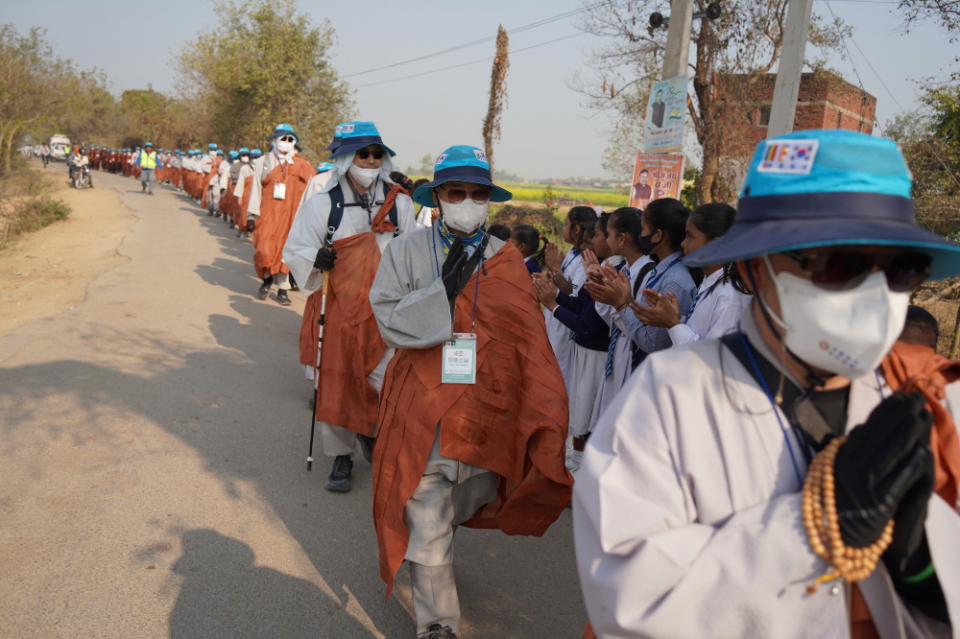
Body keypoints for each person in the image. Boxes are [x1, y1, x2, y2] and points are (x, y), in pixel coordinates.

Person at [574, 129, 960, 638]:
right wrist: (817, 526)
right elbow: (630, 605)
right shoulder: (671, 400)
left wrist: (923, 574)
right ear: (758, 270)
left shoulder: (929, 394)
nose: (875, 292)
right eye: (842, 264)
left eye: (901, 269)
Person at [369, 145, 573, 639]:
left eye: (477, 193)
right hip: (422, 400)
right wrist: (443, 291)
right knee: (426, 505)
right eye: (456, 192)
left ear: (489, 198)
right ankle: (438, 624)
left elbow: (526, 338)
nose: (466, 201)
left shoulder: (506, 258)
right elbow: (388, 316)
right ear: (436, 195)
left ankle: (437, 546)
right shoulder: (405, 250)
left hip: (486, 405)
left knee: (466, 497)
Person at [282, 121, 416, 492]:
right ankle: (341, 457)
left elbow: (415, 253)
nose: (372, 160)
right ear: (346, 158)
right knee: (337, 381)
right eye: (364, 153)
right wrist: (316, 258)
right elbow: (294, 250)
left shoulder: (401, 203)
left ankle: (374, 434)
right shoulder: (323, 204)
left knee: (386, 380)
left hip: (388, 310)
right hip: (339, 307)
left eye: (378, 154)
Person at [533, 212, 614, 474]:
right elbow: (579, 300)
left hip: (594, 347)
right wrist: (553, 293)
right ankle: (577, 458)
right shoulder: (586, 261)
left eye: (601, 236)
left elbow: (585, 315)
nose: (593, 244)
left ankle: (582, 463)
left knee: (588, 407)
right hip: (579, 341)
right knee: (581, 404)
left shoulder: (609, 269)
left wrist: (553, 300)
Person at [630, 202, 751, 345]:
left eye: (691, 237)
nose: (683, 244)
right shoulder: (711, 284)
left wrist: (673, 323)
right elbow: (699, 335)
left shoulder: (729, 297)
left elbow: (712, 358)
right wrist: (677, 318)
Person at [247, 124, 315, 306]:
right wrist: (251, 215)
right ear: (274, 140)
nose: (285, 142)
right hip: (268, 214)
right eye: (282, 138)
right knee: (265, 249)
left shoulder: (304, 166)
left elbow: (312, 192)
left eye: (289, 139)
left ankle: (283, 288)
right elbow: (255, 189)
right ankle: (267, 279)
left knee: (286, 252)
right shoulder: (263, 162)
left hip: (292, 217)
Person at [543, 206, 598, 395]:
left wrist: (556, 270)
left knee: (561, 380)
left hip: (566, 330)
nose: (564, 227)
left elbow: (574, 296)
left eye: (566, 224)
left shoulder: (587, 260)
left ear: (576, 229)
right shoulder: (572, 254)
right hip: (555, 323)